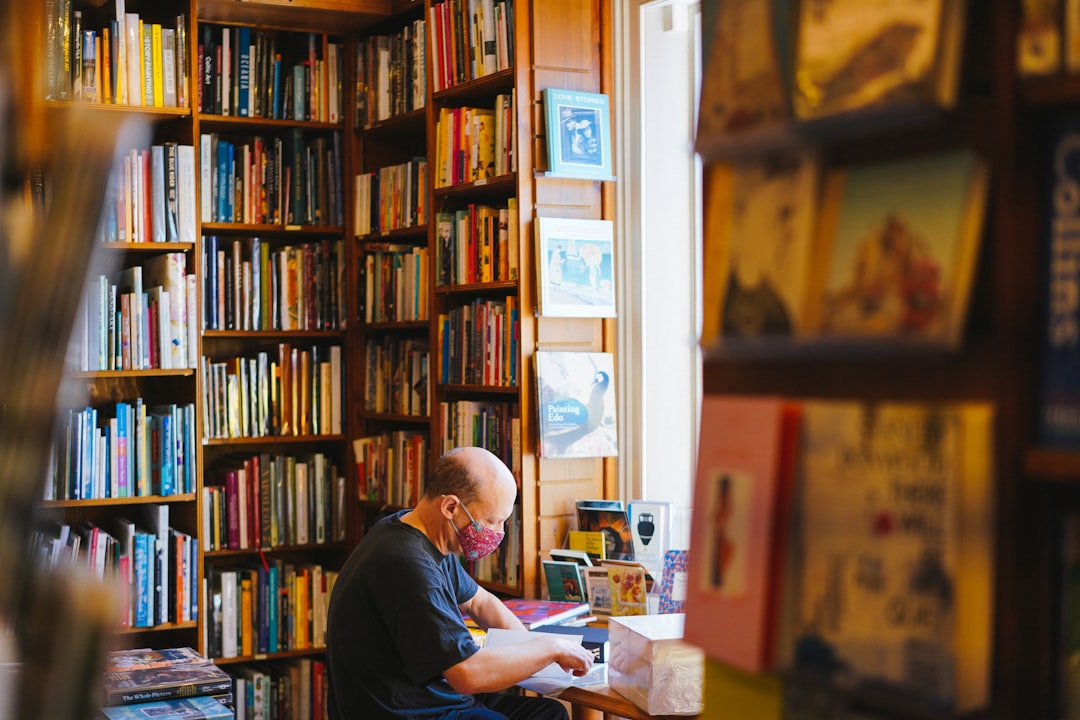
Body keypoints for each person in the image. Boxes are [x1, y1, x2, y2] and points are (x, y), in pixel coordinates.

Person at [326, 447, 593, 720]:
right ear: (451, 507)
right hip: (409, 712)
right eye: (492, 521)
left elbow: (480, 601)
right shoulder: (409, 566)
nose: (498, 533)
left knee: (549, 714)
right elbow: (466, 675)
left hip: (430, 699)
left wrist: (534, 649)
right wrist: (550, 648)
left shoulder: (410, 531)